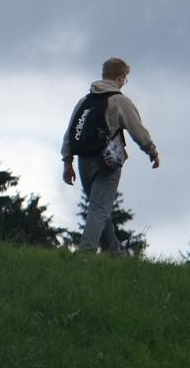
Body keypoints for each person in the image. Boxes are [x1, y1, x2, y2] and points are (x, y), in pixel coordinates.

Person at [62, 57, 161, 254]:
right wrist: (152, 151)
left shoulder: (85, 101)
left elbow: (70, 132)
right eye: (125, 78)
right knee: (99, 209)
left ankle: (115, 254)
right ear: (120, 77)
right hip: (108, 162)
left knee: (98, 207)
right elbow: (138, 132)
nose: (124, 82)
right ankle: (85, 253)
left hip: (83, 161)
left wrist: (67, 163)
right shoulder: (120, 101)